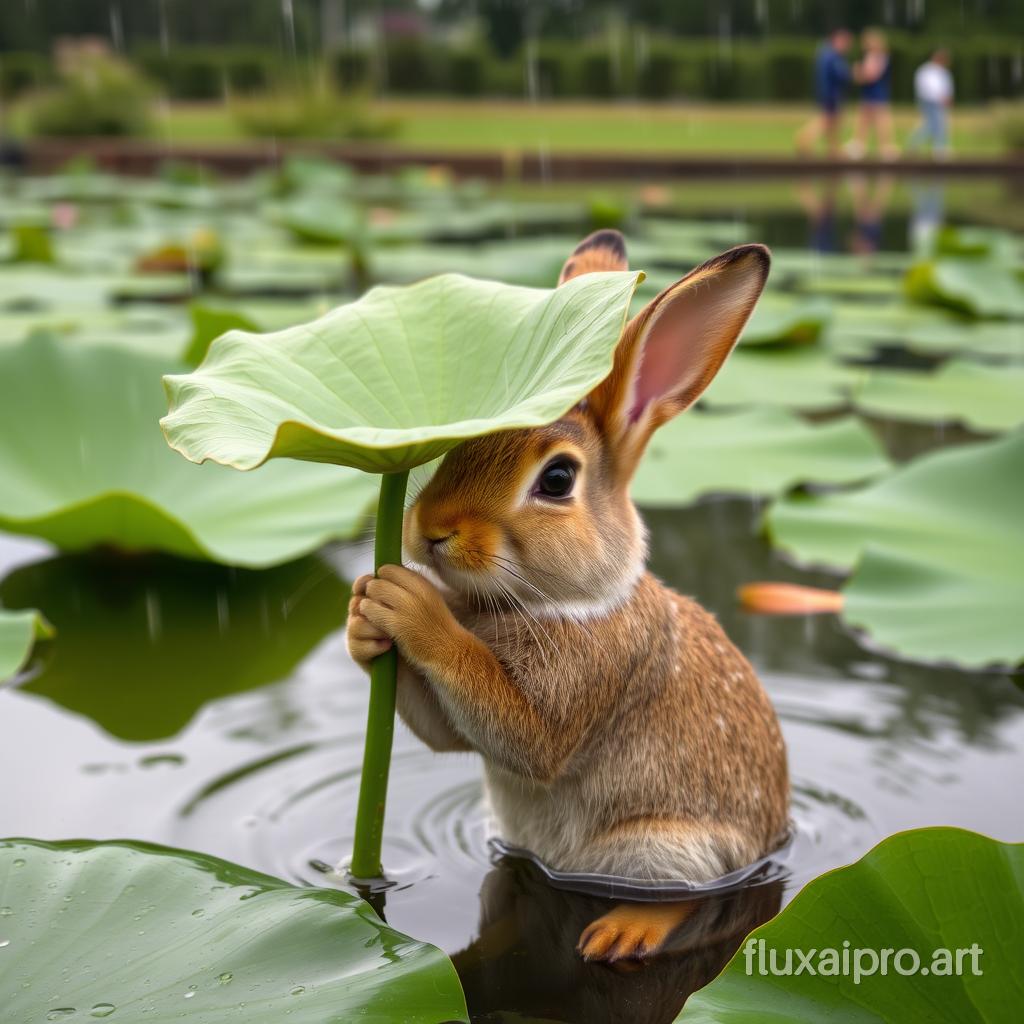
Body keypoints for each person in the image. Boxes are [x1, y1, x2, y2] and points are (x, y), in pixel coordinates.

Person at [795, 28, 853, 157]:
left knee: (833, 124)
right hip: (831, 95)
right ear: (837, 40)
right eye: (846, 43)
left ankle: (834, 149)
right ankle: (803, 142)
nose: (847, 47)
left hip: (828, 94)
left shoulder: (826, 53)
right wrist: (853, 73)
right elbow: (841, 75)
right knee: (825, 122)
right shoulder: (831, 56)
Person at [847, 28, 899, 160]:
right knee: (863, 120)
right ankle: (859, 145)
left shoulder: (881, 56)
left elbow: (871, 75)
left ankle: (886, 147)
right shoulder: (870, 56)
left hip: (877, 92)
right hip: (869, 92)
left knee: (881, 121)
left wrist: (858, 72)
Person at [909, 49, 954, 157]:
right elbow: (928, 88)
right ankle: (939, 149)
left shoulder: (941, 71)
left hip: (937, 101)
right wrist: (941, 98)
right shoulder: (927, 70)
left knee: (934, 125)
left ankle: (915, 145)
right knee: (936, 124)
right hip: (930, 101)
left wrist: (947, 98)